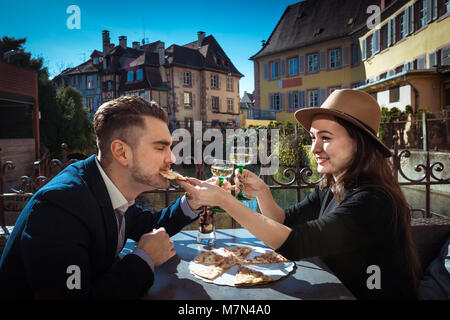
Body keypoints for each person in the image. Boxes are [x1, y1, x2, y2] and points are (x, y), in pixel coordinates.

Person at [179, 89, 422, 300]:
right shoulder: (331, 186)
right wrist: (263, 193)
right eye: (313, 138)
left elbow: (294, 244)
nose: (315, 148)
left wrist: (225, 201)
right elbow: (285, 223)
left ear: (359, 144)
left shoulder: (373, 201)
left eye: (325, 138)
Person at [0, 96, 201, 299]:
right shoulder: (60, 207)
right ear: (121, 152)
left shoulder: (107, 184)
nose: (172, 158)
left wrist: (194, 201)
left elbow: (150, 224)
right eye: (160, 147)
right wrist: (144, 258)